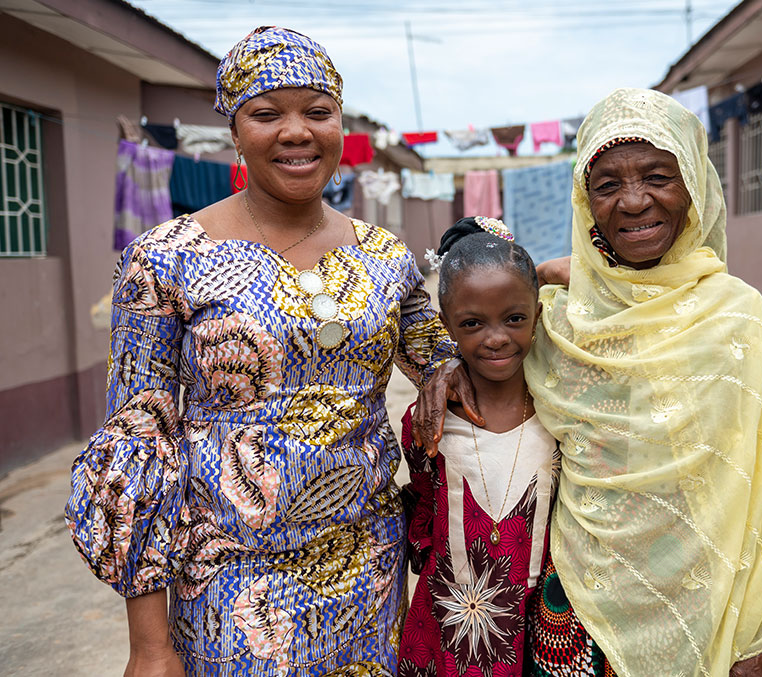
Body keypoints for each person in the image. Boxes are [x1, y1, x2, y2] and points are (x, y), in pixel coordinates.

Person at [64, 26, 476, 676]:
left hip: (367, 565)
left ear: (341, 123)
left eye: (318, 111)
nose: (296, 131)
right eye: (266, 113)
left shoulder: (385, 255)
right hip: (229, 579)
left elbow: (455, 360)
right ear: (234, 130)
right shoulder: (166, 258)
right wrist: (148, 644)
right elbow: (135, 442)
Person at [414, 88, 762, 676]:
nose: (634, 202)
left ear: (694, 185)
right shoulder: (557, 318)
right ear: (586, 201)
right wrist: (450, 369)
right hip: (575, 604)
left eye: (658, 176)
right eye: (607, 184)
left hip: (705, 600)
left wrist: (761, 640)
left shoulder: (734, 316)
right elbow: (494, 344)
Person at [397, 217, 559, 677]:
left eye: (514, 318)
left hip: (545, 632)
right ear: (446, 325)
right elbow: (425, 510)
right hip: (446, 635)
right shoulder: (427, 423)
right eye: (472, 323)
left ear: (538, 314)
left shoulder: (561, 412)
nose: (496, 338)